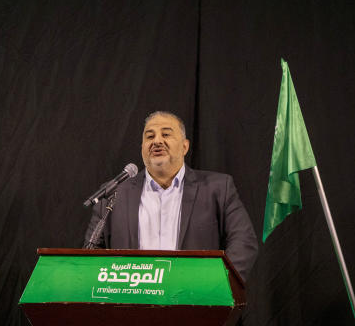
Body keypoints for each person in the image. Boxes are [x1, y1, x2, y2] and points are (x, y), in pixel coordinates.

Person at [84, 111, 259, 282]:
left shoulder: (218, 188)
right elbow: (91, 252)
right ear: (142, 148)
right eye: (150, 137)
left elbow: (244, 242)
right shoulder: (115, 193)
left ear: (185, 146)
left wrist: (216, 287)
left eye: (166, 134)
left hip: (194, 302)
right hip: (131, 303)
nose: (157, 141)